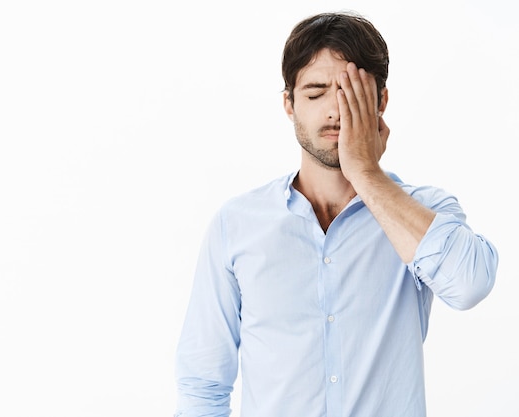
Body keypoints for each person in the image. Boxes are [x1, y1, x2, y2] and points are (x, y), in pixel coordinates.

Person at [173, 11, 498, 417]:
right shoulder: (236, 225)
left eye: (350, 93)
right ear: (289, 104)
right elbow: (203, 384)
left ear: (380, 101)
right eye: (315, 93)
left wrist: (365, 173)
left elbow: (470, 285)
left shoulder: (424, 212)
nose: (333, 111)